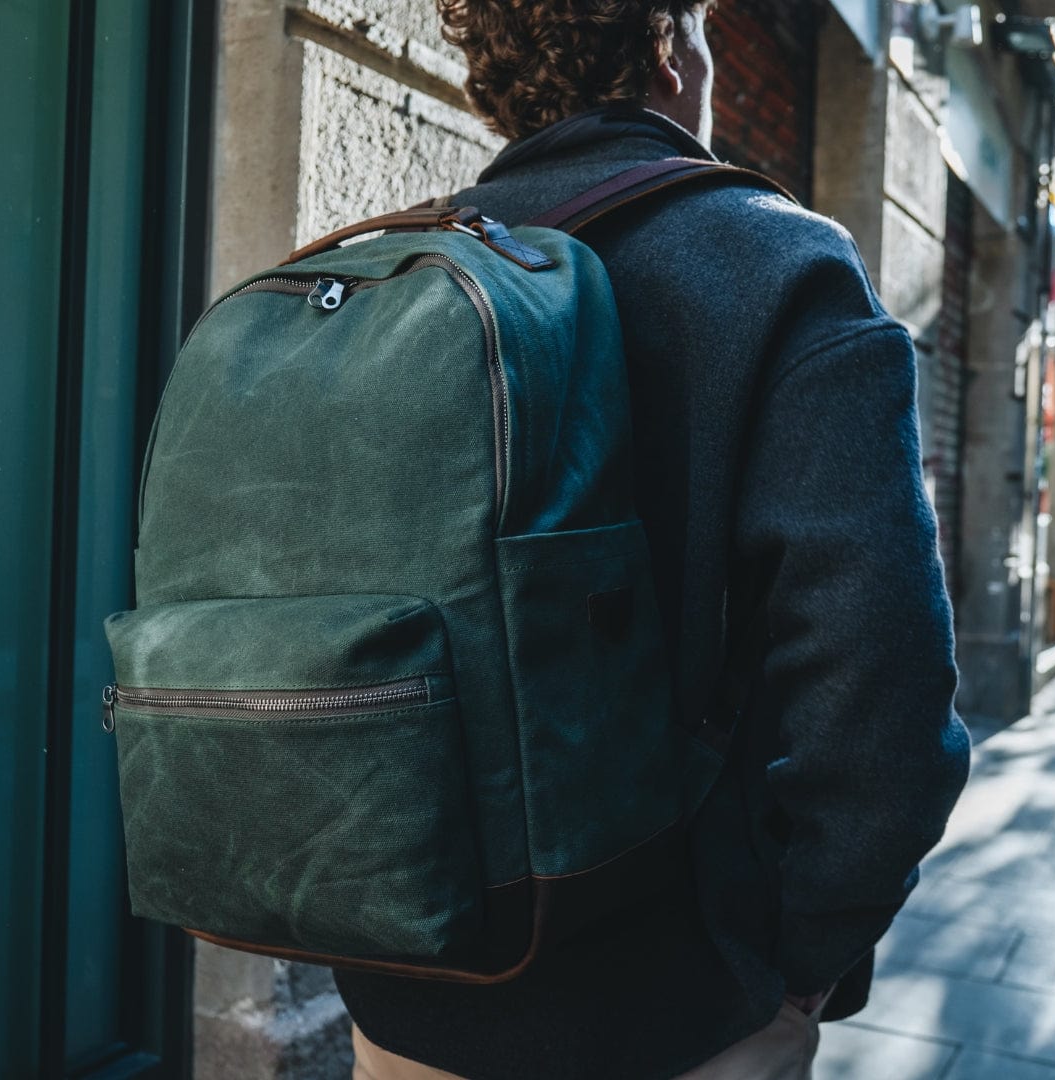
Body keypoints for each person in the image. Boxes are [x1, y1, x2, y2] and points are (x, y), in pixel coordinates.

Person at [333, 3, 971, 1077]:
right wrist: (801, 964)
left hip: (406, 1007)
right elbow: (885, 686)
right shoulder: (783, 269)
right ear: (670, 48)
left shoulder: (393, 268)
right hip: (676, 1020)